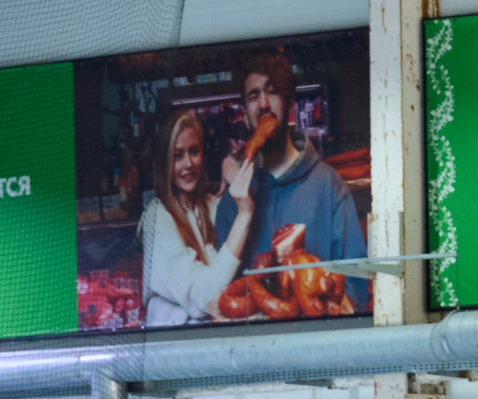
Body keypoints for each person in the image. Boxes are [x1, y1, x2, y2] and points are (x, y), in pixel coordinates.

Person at [213, 53, 370, 313]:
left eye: (272, 92)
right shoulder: (233, 201)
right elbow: (221, 293)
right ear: (246, 114)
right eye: (253, 95)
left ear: (290, 104)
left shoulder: (329, 186)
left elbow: (356, 280)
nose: (263, 103)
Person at [142, 108, 256, 326]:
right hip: (173, 354)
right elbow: (204, 297)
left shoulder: (212, 206)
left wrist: (233, 167)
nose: (188, 164)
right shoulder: (157, 217)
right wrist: (244, 214)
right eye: (177, 156)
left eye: (194, 151)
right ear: (165, 162)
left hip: (211, 347)